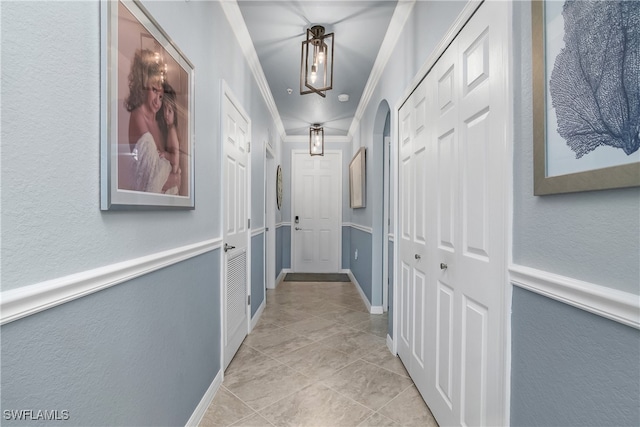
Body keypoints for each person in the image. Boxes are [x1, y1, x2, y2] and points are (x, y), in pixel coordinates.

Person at [124, 48, 180, 194]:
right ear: (143, 88)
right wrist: (174, 179)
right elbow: (151, 181)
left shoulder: (161, 122)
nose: (157, 101)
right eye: (154, 91)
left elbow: (174, 160)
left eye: (161, 96)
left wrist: (175, 175)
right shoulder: (137, 116)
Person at [157, 82, 180, 176]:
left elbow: (175, 158)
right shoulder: (168, 130)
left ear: (174, 115)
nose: (166, 114)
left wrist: (165, 155)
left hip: (172, 172)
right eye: (165, 109)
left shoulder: (172, 131)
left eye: (170, 111)